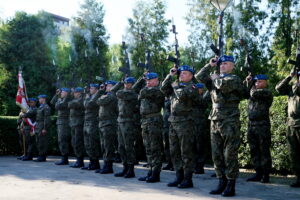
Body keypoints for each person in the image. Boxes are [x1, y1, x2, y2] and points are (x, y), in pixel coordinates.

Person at [196, 55, 246, 196]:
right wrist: (209, 64)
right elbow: (200, 76)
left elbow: (222, 85)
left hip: (230, 120)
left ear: (232, 66)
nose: (222, 66)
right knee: (216, 154)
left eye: (225, 63)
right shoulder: (215, 78)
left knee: (229, 154)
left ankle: (231, 184)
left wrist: (215, 75)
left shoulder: (234, 79)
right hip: (215, 119)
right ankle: (221, 182)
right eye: (221, 64)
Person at [161, 65, 198, 188]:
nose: (182, 75)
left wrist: (176, 85)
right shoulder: (176, 86)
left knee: (186, 152)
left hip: (185, 122)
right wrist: (170, 75)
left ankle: (188, 179)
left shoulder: (192, 87)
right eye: (181, 73)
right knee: (174, 151)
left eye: (185, 73)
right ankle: (179, 177)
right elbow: (163, 88)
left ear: (191, 76)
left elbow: (183, 95)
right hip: (173, 121)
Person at [135, 72, 165, 183]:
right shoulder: (147, 90)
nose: (147, 82)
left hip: (154, 121)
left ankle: (156, 173)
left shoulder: (158, 90)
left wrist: (143, 86)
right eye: (146, 80)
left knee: (155, 148)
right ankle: (151, 171)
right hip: (145, 121)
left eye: (150, 80)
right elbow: (136, 90)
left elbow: (142, 92)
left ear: (156, 80)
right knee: (148, 148)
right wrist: (141, 79)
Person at [245, 74, 273, 183]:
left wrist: (251, 85)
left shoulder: (266, 92)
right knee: (254, 150)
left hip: (262, 125)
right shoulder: (253, 91)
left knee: (264, 150)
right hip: (251, 125)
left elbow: (253, 93)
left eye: (260, 81)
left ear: (266, 83)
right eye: (256, 82)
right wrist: (248, 82)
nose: (257, 84)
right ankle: (258, 173)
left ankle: (266, 175)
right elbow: (245, 92)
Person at [276, 70, 300, 187]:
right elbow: (278, 88)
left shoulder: (296, 88)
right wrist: (289, 76)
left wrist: (297, 82)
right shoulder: (291, 89)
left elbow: (298, 90)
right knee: (293, 153)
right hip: (291, 124)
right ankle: (299, 178)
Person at [112, 77, 139, 178]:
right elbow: (113, 90)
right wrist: (120, 82)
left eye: (129, 84)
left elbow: (118, 93)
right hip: (120, 120)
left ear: (132, 84)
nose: (127, 85)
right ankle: (125, 167)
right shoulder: (122, 92)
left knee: (129, 146)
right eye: (126, 83)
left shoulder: (132, 94)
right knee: (121, 146)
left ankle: (131, 169)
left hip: (128, 121)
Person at [96, 80, 118, 174]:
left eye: (109, 86)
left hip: (109, 123)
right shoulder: (106, 94)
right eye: (107, 86)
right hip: (103, 123)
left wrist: (102, 93)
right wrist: (101, 91)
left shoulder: (112, 95)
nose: (106, 87)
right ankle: (105, 165)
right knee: (103, 145)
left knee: (108, 146)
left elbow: (99, 101)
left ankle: (108, 166)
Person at [81, 84, 102, 170]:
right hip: (87, 122)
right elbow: (85, 104)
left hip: (93, 122)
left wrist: (87, 97)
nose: (90, 89)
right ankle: (91, 162)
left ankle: (95, 163)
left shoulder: (97, 96)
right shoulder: (90, 97)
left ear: (96, 89)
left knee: (93, 143)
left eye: (92, 88)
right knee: (87, 143)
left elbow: (88, 105)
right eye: (90, 88)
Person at [51, 88, 72, 165]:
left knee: (63, 140)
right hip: (60, 122)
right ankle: (63, 157)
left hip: (64, 122)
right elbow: (52, 102)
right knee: (60, 140)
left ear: (66, 93)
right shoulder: (61, 99)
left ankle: (65, 158)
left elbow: (59, 106)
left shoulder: (67, 100)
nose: (61, 93)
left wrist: (59, 100)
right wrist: (56, 95)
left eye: (63, 92)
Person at [193, 83, 209, 174]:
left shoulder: (203, 97)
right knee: (193, 146)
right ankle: (195, 165)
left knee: (200, 146)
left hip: (200, 125)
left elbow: (203, 102)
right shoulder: (193, 97)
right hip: (192, 124)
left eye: (198, 89)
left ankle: (200, 166)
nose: (197, 90)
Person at [68, 87, 85, 168]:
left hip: (78, 123)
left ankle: (80, 160)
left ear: (79, 93)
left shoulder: (81, 100)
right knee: (74, 142)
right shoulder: (75, 100)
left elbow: (71, 104)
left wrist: (70, 99)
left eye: (75, 92)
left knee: (78, 142)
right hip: (73, 123)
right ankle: (78, 159)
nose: (73, 94)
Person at [35, 94, 51, 162]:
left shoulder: (46, 107)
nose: (39, 100)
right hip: (39, 125)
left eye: (40, 99)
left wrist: (45, 128)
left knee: (42, 141)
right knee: (39, 141)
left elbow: (46, 119)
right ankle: (40, 155)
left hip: (42, 126)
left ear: (43, 99)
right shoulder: (40, 107)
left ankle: (43, 156)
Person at [161, 97, 174, 171]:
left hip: (171, 125)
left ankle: (174, 164)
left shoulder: (172, 98)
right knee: (166, 145)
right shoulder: (164, 99)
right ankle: (169, 162)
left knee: (172, 145)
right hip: (164, 124)